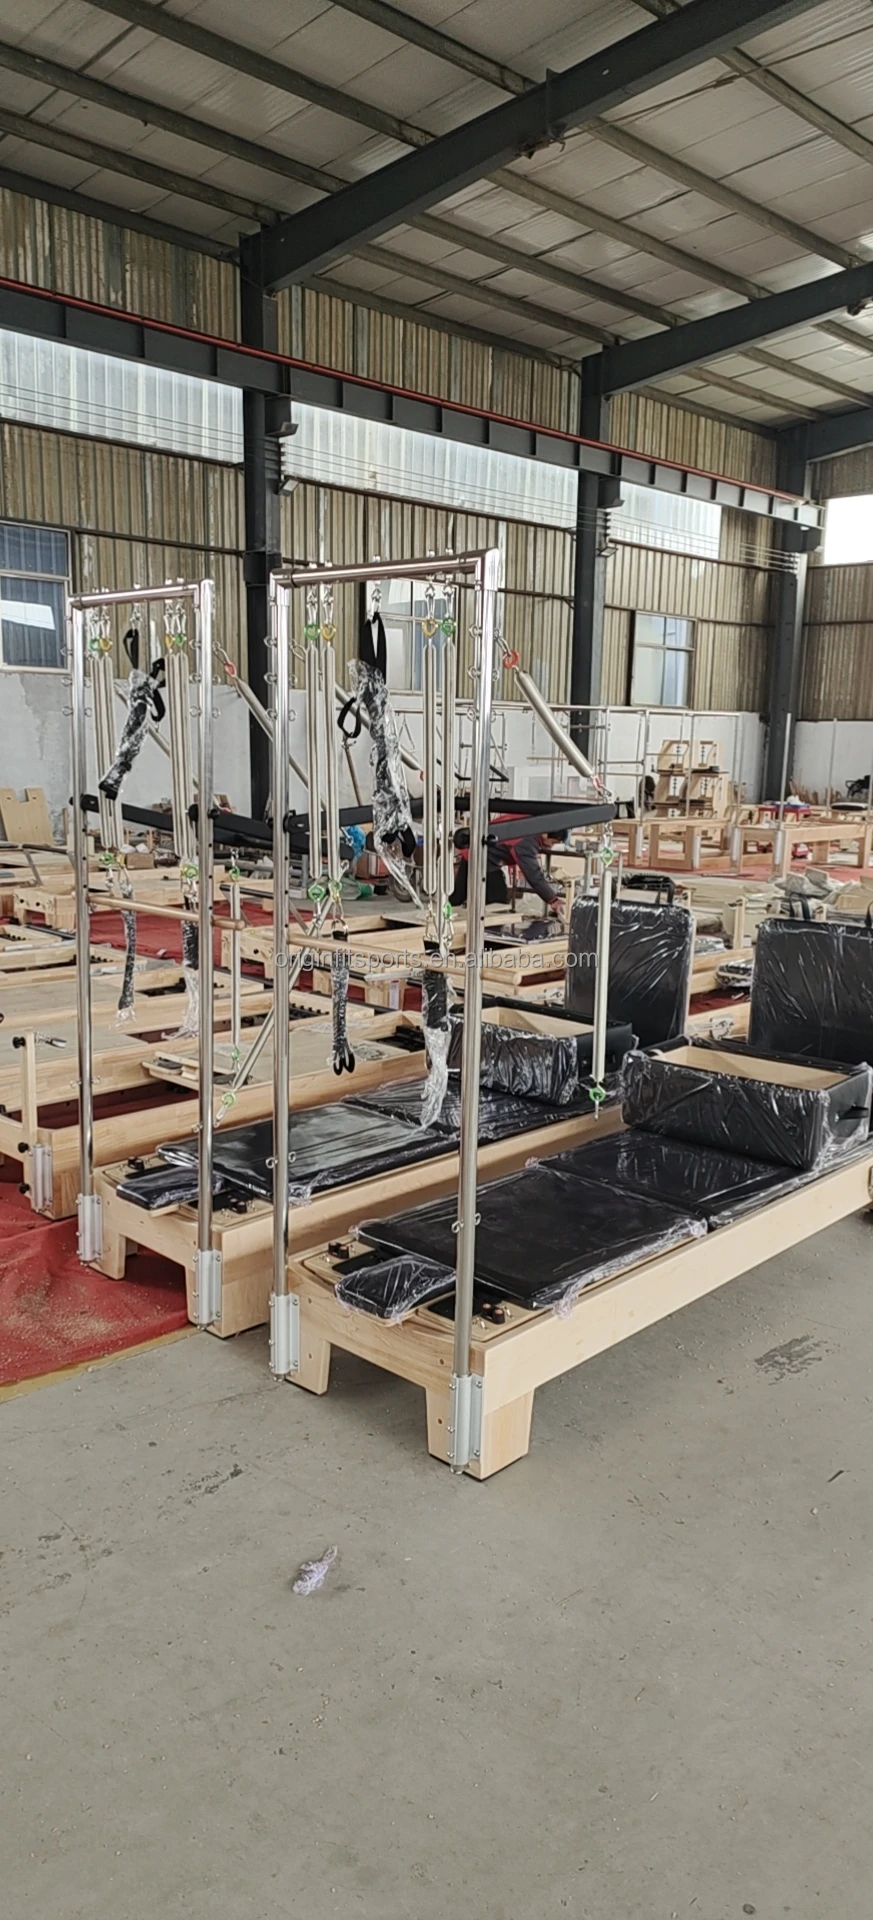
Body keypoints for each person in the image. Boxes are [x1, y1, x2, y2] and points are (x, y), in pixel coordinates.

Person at [450, 826, 565, 914]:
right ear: (545, 834)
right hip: (482, 858)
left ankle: (446, 920)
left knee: (458, 895)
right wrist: (553, 900)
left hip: (474, 853)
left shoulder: (530, 826)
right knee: (497, 898)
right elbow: (533, 874)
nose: (551, 846)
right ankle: (488, 932)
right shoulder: (527, 841)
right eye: (552, 842)